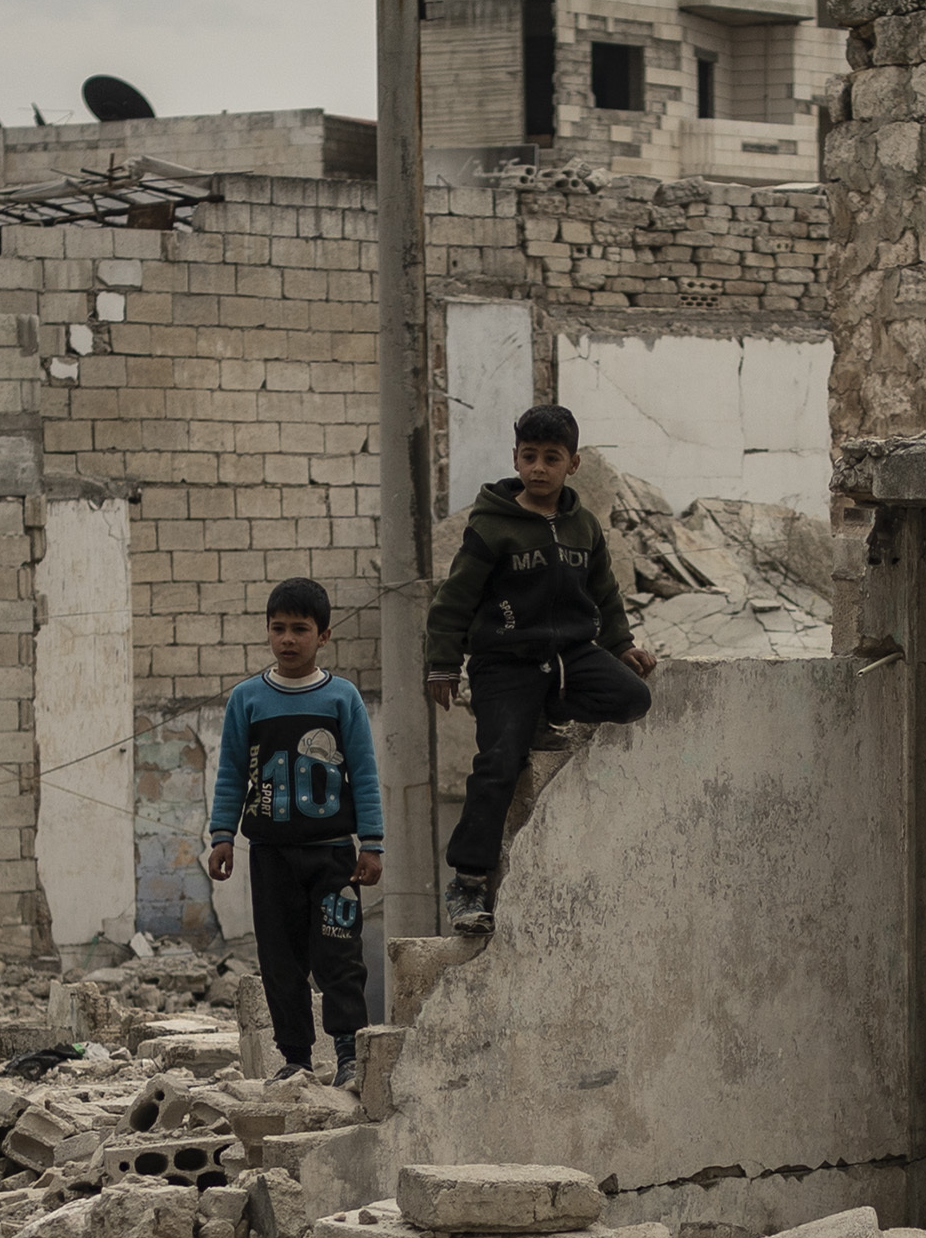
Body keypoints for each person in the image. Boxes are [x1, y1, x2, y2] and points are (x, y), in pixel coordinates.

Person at [425, 403, 654, 933]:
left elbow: (605, 592)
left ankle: (544, 710)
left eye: (552, 458)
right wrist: (442, 663)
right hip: (503, 663)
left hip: (568, 658)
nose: (539, 468)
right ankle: (468, 883)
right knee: (500, 761)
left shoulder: (583, 527)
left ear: (572, 464)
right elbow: (455, 598)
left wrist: (620, 645)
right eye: (530, 456)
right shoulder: (491, 526)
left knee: (632, 698)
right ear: (515, 457)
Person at [204, 576, 386, 1083]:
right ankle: (296, 1060)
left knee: (339, 956)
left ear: (323, 636)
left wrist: (371, 844)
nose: (288, 639)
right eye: (278, 629)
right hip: (270, 854)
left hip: (333, 857)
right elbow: (231, 771)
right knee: (280, 962)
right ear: (267, 632)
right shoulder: (247, 700)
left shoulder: (342, 699)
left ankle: (350, 1055)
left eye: (300, 630)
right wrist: (222, 836)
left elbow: (365, 773)